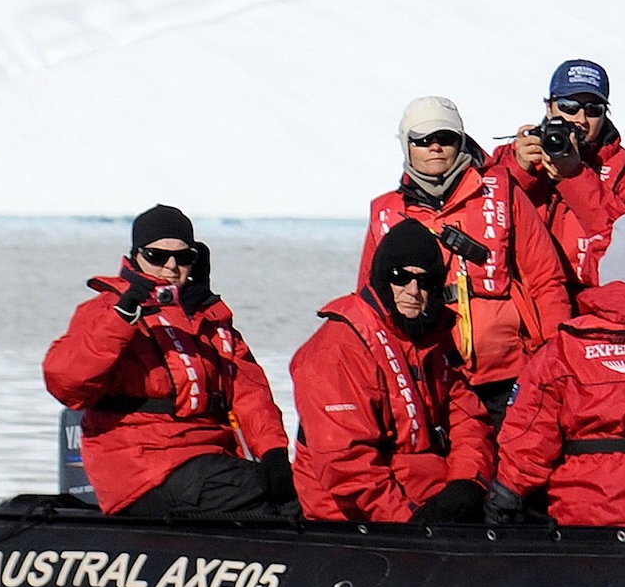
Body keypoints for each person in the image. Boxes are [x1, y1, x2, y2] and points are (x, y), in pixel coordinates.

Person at [44, 204, 298, 522]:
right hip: (142, 467)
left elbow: (250, 393)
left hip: (206, 460)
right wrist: (122, 318)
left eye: (184, 257)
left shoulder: (210, 317)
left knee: (296, 488)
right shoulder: (108, 310)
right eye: (157, 256)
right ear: (136, 255)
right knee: (273, 494)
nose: (171, 266)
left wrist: (273, 454)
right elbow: (65, 382)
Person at [362, 94, 568, 439]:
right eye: (423, 140)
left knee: (513, 482)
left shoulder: (503, 194)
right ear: (406, 146)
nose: (435, 147)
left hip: (511, 377)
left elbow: (546, 280)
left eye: (445, 138)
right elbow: (369, 307)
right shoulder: (386, 213)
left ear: (461, 141)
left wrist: (553, 361)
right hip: (430, 382)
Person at [493, 212, 625, 532]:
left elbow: (529, 433)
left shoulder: (565, 347)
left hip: (581, 516)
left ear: (608, 272)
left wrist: (505, 497)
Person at [293, 218, 491, 524]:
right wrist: (408, 523)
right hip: (359, 520)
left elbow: (468, 419)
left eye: (425, 282)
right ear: (383, 279)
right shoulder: (337, 349)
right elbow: (345, 461)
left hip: (428, 500)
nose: (413, 290)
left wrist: (467, 482)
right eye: (401, 277)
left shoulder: (432, 341)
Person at [503, 57, 625, 300]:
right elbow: (489, 219)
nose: (580, 119)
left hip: (595, 303)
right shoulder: (521, 154)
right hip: (529, 301)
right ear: (549, 108)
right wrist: (519, 170)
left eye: (593, 110)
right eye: (569, 107)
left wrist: (575, 176)